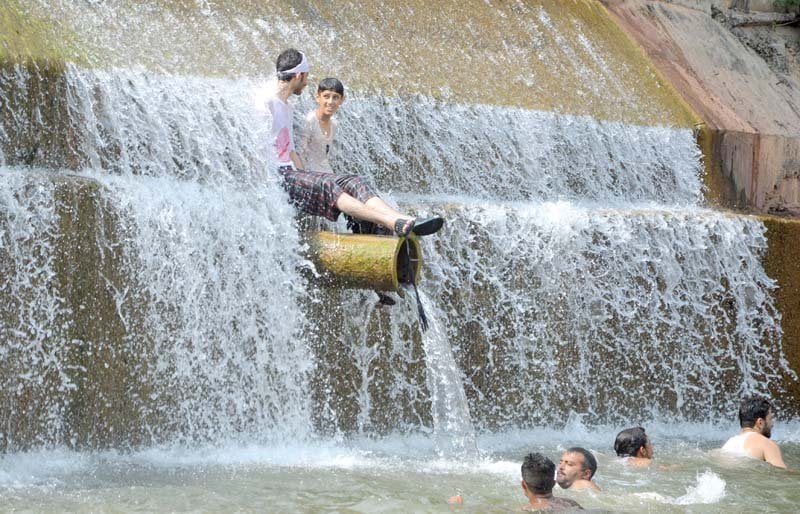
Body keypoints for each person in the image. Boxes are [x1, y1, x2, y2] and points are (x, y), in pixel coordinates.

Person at [266, 48, 443, 239]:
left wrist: (305, 177)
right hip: (278, 177)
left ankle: (402, 219)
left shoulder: (287, 106)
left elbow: (291, 151)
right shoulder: (266, 103)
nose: (307, 82)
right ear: (299, 75)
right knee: (327, 183)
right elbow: (259, 152)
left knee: (354, 181)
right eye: (306, 77)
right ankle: (392, 223)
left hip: (294, 174)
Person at [295, 76, 396, 306]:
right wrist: (309, 182)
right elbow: (298, 155)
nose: (330, 102)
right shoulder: (308, 121)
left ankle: (378, 276)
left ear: (342, 101)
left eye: (335, 98)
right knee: (358, 212)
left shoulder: (334, 124)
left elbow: (323, 158)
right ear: (317, 97)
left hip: (327, 177)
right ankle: (375, 282)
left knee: (367, 214)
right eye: (327, 97)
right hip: (314, 182)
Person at [721, 395, 786, 468]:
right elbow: (782, 474)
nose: (772, 424)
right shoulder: (766, 444)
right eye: (770, 419)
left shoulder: (728, 444)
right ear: (760, 422)